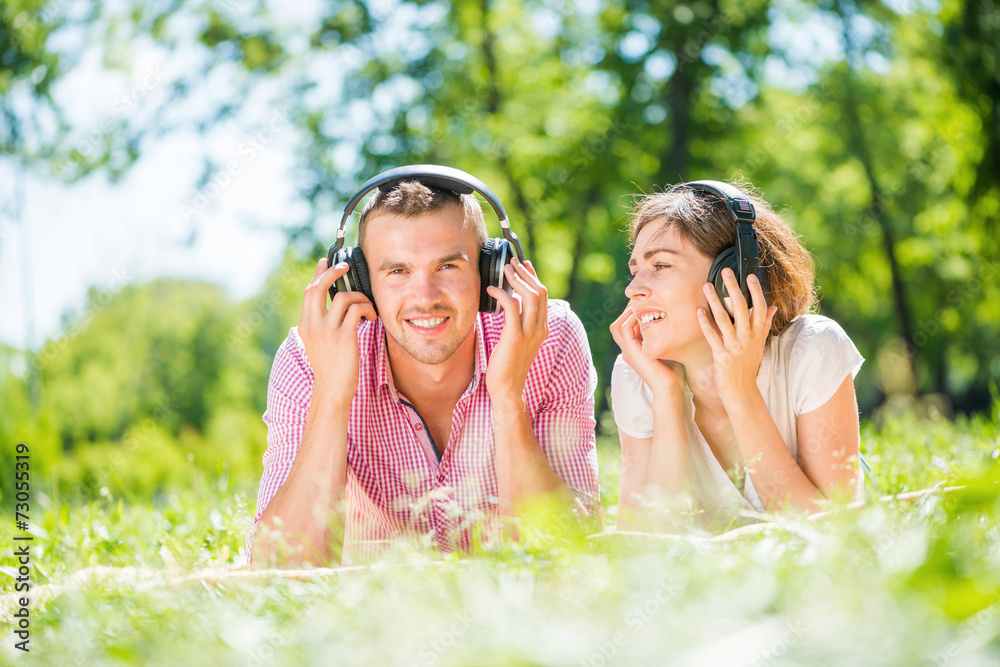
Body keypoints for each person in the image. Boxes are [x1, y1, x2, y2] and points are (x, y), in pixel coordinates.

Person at [249, 168, 601, 567]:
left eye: (448, 267)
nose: (425, 297)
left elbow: (571, 557)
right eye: (397, 272)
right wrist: (331, 395)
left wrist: (506, 397)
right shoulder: (308, 357)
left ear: (492, 270)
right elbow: (276, 571)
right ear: (359, 284)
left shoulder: (548, 338)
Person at [609, 180, 864, 531]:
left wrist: (740, 393)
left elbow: (837, 536)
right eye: (635, 270)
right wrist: (666, 399)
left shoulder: (813, 350)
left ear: (737, 279)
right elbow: (642, 551)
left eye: (661, 266)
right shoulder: (636, 375)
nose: (632, 289)